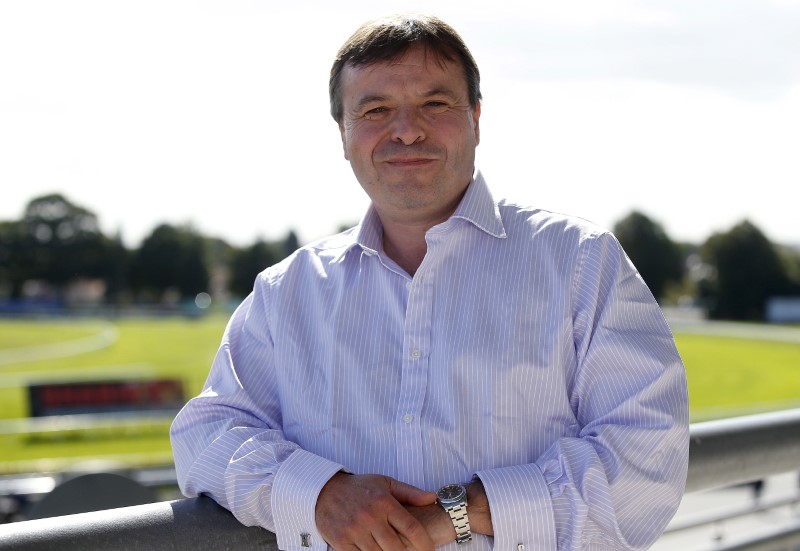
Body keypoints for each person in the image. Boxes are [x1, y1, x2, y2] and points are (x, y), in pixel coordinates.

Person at [170, 13, 689, 551]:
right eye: (375, 110)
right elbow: (205, 436)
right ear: (343, 135)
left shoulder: (582, 262)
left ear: (476, 120)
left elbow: (647, 454)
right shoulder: (286, 292)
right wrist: (321, 495)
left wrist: (463, 512)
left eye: (434, 104)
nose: (406, 130)